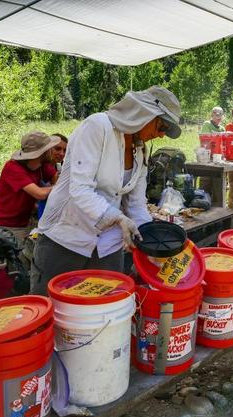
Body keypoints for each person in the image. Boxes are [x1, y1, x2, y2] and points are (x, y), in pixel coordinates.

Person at [30, 86, 182, 295]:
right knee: (53, 312)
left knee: (103, 315)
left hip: (107, 248)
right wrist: (118, 219)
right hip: (65, 239)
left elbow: (136, 204)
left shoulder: (140, 150)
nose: (161, 135)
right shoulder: (98, 126)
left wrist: (151, 241)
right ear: (145, 114)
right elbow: (80, 189)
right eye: (162, 127)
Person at [0, 131, 60, 247]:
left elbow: (55, 179)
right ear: (43, 152)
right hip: (5, 225)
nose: (53, 151)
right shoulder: (12, 167)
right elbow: (39, 194)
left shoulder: (42, 165)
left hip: (24, 221)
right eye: (51, 148)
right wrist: (61, 187)